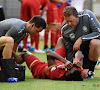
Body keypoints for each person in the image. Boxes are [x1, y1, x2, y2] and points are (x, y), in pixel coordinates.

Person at [12, 40, 84, 81]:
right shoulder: (78, 73)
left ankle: (9, 52)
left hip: (39, 68)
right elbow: (80, 53)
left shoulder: (55, 74)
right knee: (61, 40)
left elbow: (49, 53)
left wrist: (65, 61)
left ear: (66, 73)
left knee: (24, 54)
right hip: (57, 62)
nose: (70, 66)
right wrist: (77, 60)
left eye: (68, 69)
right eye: (72, 67)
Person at [61, 6, 100, 79]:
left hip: (90, 49)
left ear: (77, 16)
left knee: (95, 43)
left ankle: (91, 72)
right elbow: (69, 49)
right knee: (60, 40)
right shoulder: (64, 28)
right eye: (67, 21)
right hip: (79, 54)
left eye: (71, 21)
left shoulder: (87, 15)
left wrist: (81, 39)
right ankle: (58, 66)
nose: (69, 23)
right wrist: (70, 66)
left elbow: (98, 32)